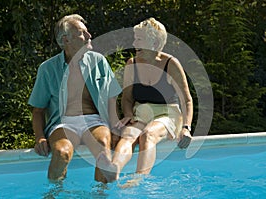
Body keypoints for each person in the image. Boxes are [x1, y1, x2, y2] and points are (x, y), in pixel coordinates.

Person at [97, 17, 193, 182]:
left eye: (139, 39)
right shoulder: (132, 64)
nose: (134, 44)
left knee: (148, 134)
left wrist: (186, 127)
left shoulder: (171, 64)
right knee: (128, 135)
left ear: (154, 43)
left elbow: (187, 100)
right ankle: (114, 169)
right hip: (141, 112)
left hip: (168, 114)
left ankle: (139, 179)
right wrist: (128, 115)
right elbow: (127, 98)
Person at [28, 14, 122, 182]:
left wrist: (115, 127)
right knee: (61, 153)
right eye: (82, 33)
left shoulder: (99, 61)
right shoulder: (47, 69)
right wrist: (40, 137)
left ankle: (100, 194)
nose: (89, 36)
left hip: (94, 121)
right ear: (66, 40)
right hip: (63, 123)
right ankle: (55, 193)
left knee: (102, 147)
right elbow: (38, 110)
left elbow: (111, 98)